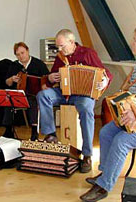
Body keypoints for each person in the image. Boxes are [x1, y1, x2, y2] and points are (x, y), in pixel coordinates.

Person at [80, 24, 136, 202]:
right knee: (106, 132)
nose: (132, 43)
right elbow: (130, 92)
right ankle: (105, 172)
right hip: (134, 117)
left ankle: (104, 186)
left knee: (121, 141)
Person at [37, 29, 112, 173]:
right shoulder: (61, 57)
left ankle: (87, 155)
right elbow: (50, 77)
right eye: (57, 46)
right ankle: (51, 134)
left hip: (83, 95)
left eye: (62, 46)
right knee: (43, 95)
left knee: (85, 108)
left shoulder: (88, 53)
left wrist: (103, 81)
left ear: (72, 42)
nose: (59, 49)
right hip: (64, 93)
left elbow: (105, 72)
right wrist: (50, 78)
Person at [2, 42, 49, 140]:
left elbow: (47, 79)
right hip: (19, 94)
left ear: (28, 51)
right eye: (18, 55)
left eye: (22, 53)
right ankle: (8, 129)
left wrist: (44, 85)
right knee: (8, 98)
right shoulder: (14, 65)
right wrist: (11, 79)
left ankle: (34, 130)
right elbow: (7, 82)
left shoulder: (39, 64)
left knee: (33, 100)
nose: (21, 56)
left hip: (34, 94)